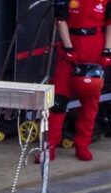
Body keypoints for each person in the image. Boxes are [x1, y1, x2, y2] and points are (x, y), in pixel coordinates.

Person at [43, 0, 109, 162]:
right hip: (70, 46)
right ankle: (49, 146)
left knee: (90, 101)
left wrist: (108, 51)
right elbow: (61, 19)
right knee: (58, 100)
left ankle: (82, 145)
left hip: (95, 47)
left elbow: (109, 24)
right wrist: (68, 47)